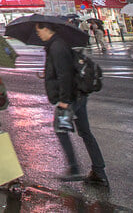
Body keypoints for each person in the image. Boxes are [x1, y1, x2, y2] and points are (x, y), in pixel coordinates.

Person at [35, 21, 108, 187]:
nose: (38, 34)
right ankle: (99, 170)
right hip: (79, 95)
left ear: (47, 28)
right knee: (85, 132)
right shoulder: (58, 44)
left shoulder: (56, 47)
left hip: (70, 98)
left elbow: (65, 75)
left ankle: (74, 168)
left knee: (60, 129)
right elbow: (63, 70)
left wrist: (64, 101)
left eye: (39, 31)